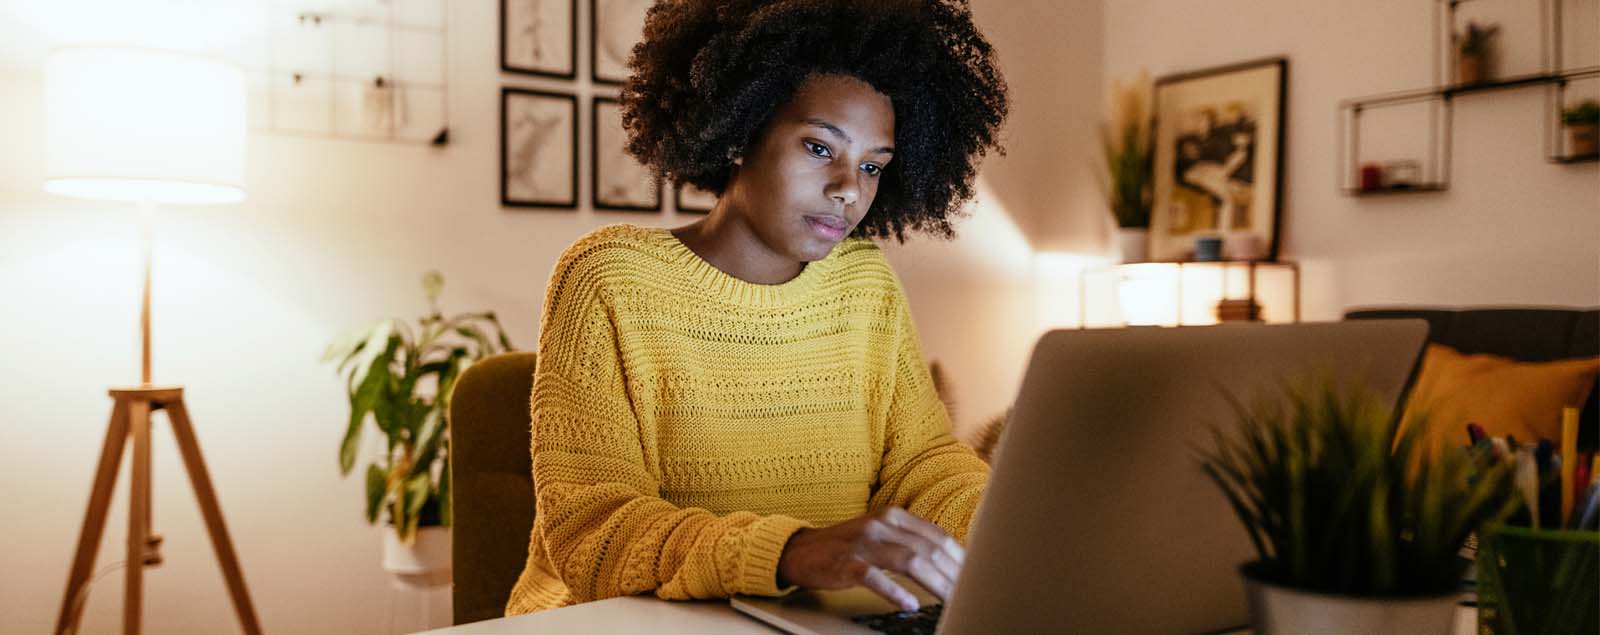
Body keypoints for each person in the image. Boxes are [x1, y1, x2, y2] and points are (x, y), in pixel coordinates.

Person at [503, 0, 1009, 617]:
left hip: (812, 615)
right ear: (740, 133)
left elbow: (923, 465)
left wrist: (1013, 529)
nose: (850, 188)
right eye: (821, 149)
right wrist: (787, 551)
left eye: (873, 166)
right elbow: (597, 533)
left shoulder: (865, 285)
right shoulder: (610, 279)